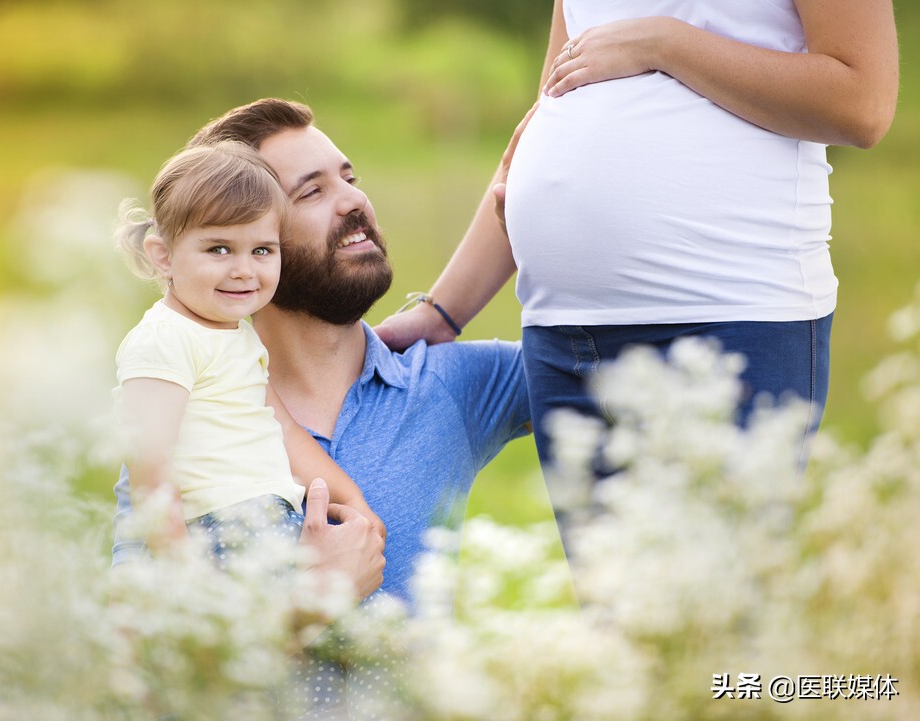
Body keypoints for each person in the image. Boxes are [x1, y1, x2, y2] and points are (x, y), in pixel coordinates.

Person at [375, 0, 899, 476]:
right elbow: (541, 123)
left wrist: (664, 44)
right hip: (564, 340)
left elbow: (863, 101)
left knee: (715, 579)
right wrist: (443, 311)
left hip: (730, 321)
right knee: (610, 583)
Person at [112, 99, 531, 609]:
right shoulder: (190, 429)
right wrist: (311, 607)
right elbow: (143, 649)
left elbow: (625, 360)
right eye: (312, 191)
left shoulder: (446, 385)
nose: (354, 201)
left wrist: (535, 237)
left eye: (350, 178)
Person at [113, 140, 383, 568]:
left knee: (359, 617)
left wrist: (352, 500)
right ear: (163, 256)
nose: (243, 269)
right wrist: (181, 573)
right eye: (219, 249)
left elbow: (286, 433)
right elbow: (151, 468)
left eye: (262, 250)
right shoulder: (164, 339)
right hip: (214, 533)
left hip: (273, 523)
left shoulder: (238, 336)